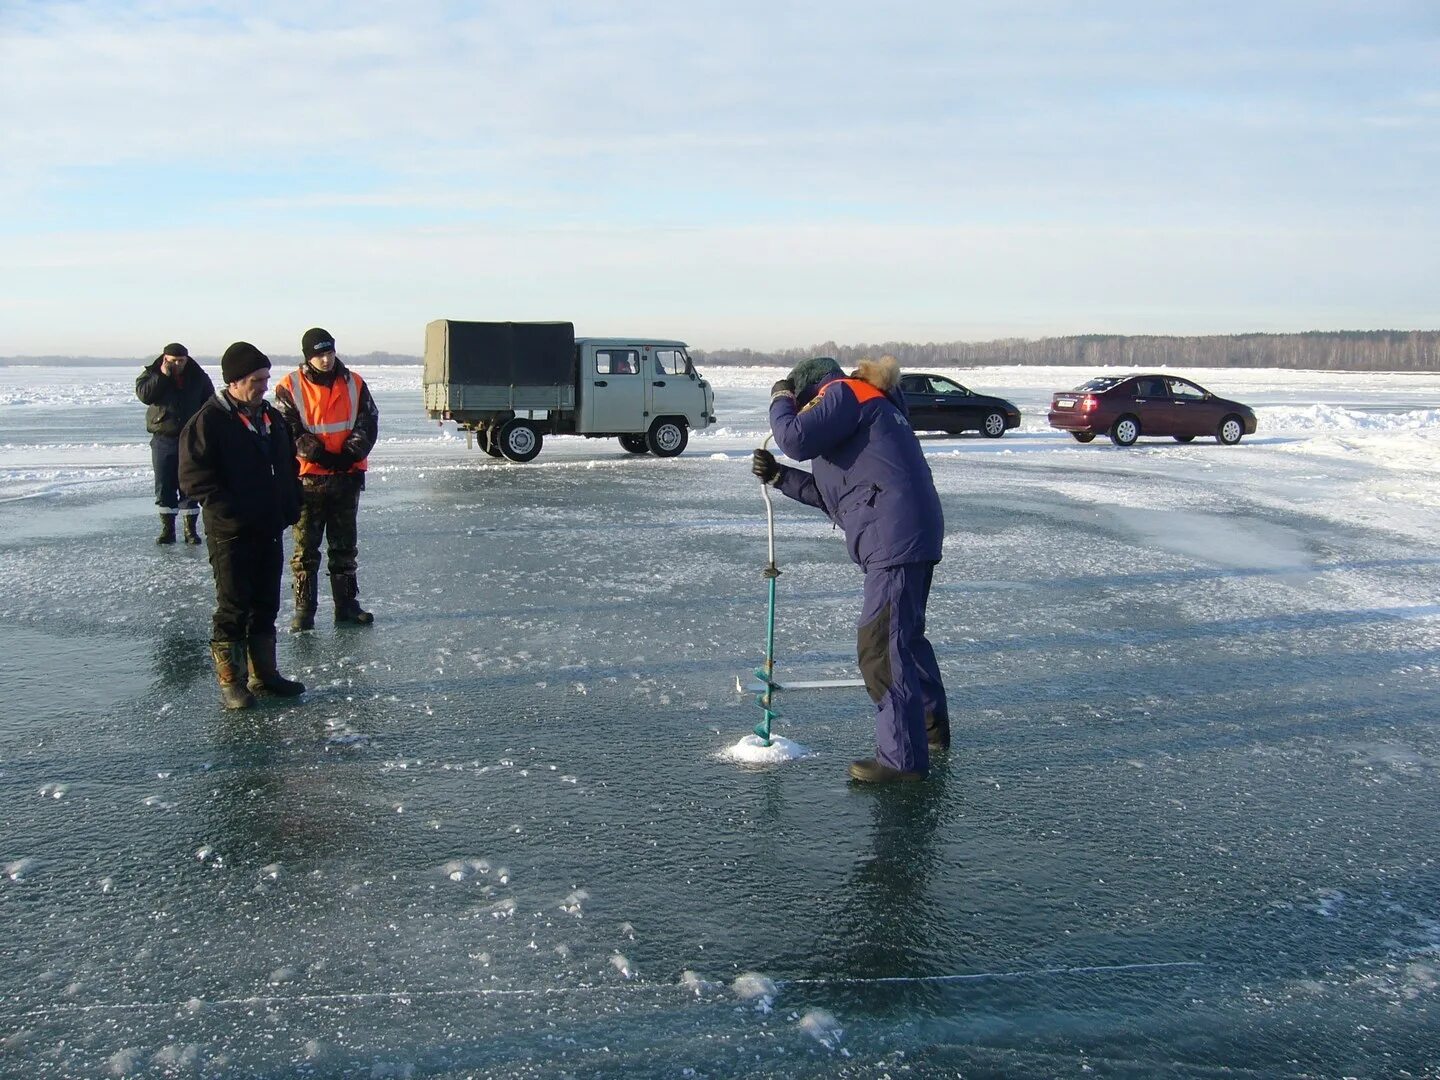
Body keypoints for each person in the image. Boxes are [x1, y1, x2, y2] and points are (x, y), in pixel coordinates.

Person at [752, 355, 948, 784]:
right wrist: (780, 477)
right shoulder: (869, 409)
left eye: (802, 404)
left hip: (894, 536)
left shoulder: (842, 393)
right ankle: (931, 731)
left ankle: (902, 760)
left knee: (880, 646)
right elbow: (835, 498)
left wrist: (780, 399)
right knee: (905, 636)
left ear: (810, 393)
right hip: (908, 529)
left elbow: (794, 439)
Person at [179, 342, 305, 710]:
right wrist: (230, 511)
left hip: (268, 526)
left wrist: (290, 504)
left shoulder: (270, 418)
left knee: (265, 602)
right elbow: (193, 479)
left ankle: (264, 674)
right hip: (231, 531)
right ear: (234, 382)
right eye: (256, 379)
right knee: (233, 606)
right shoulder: (208, 421)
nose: (264, 385)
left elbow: (287, 466)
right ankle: (231, 683)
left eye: (266, 378)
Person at [274, 327, 380, 630]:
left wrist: (348, 454)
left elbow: (368, 421)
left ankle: (346, 606)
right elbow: (288, 428)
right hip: (308, 481)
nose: (326, 358)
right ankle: (304, 611)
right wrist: (318, 455)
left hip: (346, 478)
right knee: (305, 550)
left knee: (344, 548)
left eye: (329, 352)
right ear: (309, 356)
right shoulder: (289, 387)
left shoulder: (354, 383)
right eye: (319, 354)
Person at [135, 342, 214, 545]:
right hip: (163, 438)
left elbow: (210, 402)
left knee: (189, 483)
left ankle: (190, 531)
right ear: (165, 359)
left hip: (190, 439)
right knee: (164, 484)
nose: (178, 364)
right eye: (173, 361)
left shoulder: (198, 376)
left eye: (181, 361)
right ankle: (167, 530)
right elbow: (145, 395)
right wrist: (162, 376)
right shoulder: (151, 374)